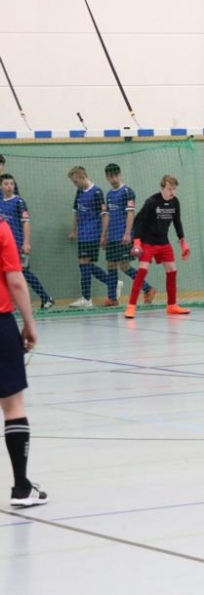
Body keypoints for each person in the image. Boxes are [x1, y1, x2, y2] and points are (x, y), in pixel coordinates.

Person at [0, 216, 46, 507]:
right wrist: (29, 324)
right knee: (13, 406)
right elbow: (15, 281)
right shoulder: (1, 227)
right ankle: (21, 487)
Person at [124, 175, 191, 319]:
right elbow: (138, 221)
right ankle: (131, 306)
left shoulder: (175, 202)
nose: (172, 192)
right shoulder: (152, 202)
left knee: (172, 270)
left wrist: (183, 242)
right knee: (142, 271)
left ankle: (172, 305)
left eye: (174, 189)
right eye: (169, 189)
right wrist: (137, 241)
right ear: (162, 188)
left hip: (163, 241)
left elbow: (177, 222)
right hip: (148, 241)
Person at [104, 163, 155, 308]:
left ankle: (147, 288)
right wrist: (104, 234)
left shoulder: (127, 192)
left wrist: (127, 233)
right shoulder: (109, 194)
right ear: (107, 177)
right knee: (111, 264)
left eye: (116, 175)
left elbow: (131, 213)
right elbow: (108, 215)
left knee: (124, 266)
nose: (114, 178)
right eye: (111, 176)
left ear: (120, 175)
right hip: (112, 236)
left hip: (123, 235)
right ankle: (112, 298)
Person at [0, 174, 54, 310]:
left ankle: (45, 298)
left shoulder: (19, 202)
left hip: (18, 244)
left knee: (23, 272)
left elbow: (26, 222)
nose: (9, 186)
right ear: (1, 186)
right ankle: (15, 302)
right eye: (6, 184)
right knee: (6, 274)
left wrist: (26, 242)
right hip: (4, 245)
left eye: (11, 184)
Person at [67, 166, 113, 308]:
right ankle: (112, 282)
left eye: (75, 181)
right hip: (82, 234)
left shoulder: (97, 192)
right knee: (86, 265)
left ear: (82, 177)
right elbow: (76, 212)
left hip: (92, 234)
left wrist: (103, 234)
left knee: (84, 262)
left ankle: (86, 298)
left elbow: (104, 215)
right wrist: (73, 230)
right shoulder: (79, 192)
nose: (75, 184)